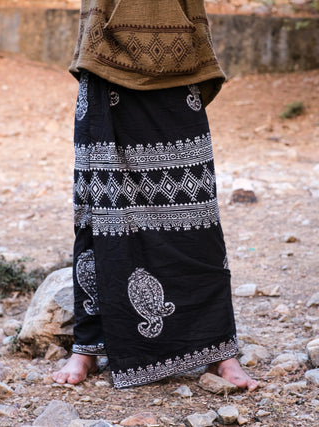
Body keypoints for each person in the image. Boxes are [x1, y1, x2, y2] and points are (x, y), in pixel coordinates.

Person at [52, 0, 258, 391]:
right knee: (101, 218)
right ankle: (87, 346)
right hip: (104, 67)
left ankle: (220, 350)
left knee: (197, 220)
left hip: (178, 71)